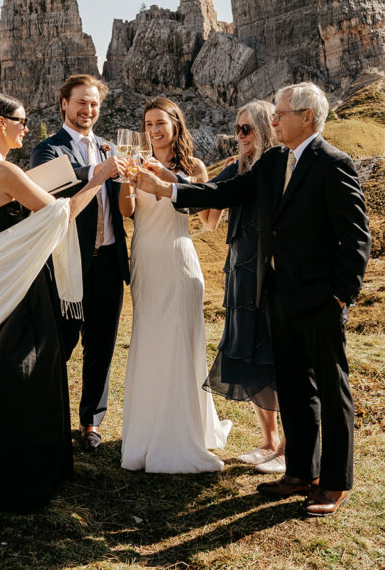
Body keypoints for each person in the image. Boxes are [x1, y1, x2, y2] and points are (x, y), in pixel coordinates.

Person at [134, 82, 371, 517]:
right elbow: (225, 194)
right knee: (297, 388)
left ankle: (334, 483)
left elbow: (356, 239)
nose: (273, 119)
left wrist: (340, 297)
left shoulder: (333, 164)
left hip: (320, 301)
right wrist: (168, 189)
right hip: (276, 296)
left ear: (308, 117)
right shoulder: (275, 159)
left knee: (332, 392)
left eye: (281, 113)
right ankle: (300, 471)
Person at [0, 92, 117, 512]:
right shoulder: (1, 168)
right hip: (21, 286)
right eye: (22, 121)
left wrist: (12, 232)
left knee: (0, 371)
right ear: (2, 123)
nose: (27, 128)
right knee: (29, 368)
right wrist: (98, 179)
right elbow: (60, 217)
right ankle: (26, 469)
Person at [119, 97, 231, 473]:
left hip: (179, 261)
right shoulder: (135, 162)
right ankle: (148, 431)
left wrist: (176, 179)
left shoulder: (193, 167)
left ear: (175, 125)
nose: (154, 130)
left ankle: (183, 434)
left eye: (160, 123)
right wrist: (126, 181)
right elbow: (127, 211)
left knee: (180, 343)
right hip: (146, 262)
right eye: (148, 124)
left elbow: (204, 216)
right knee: (149, 340)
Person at [30, 74, 129, 453]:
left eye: (94, 104)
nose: (88, 110)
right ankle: (46, 416)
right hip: (67, 265)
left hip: (107, 261)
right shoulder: (48, 149)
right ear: (64, 104)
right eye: (81, 102)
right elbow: (58, 190)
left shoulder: (107, 147)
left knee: (101, 345)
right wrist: (100, 172)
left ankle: (91, 422)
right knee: (60, 342)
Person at [199, 100, 285, 473]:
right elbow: (208, 220)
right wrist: (195, 181)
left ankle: (287, 448)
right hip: (239, 269)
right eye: (237, 130)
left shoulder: (278, 167)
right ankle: (268, 441)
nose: (240, 136)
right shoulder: (235, 168)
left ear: (266, 127)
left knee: (274, 356)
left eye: (246, 129)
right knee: (249, 354)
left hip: (269, 272)